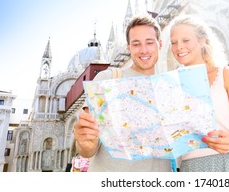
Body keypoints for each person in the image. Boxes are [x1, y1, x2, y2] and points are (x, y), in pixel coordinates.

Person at [73, 14, 172, 172]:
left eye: (149, 42)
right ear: (129, 48)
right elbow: (88, 149)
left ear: (159, 44)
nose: (144, 50)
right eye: (136, 44)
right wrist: (85, 142)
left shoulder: (169, 89)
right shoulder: (107, 79)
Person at [169, 15, 229, 172]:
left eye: (186, 40)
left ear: (203, 40)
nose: (179, 47)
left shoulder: (226, 75)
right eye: (174, 42)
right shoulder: (169, 86)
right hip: (189, 168)